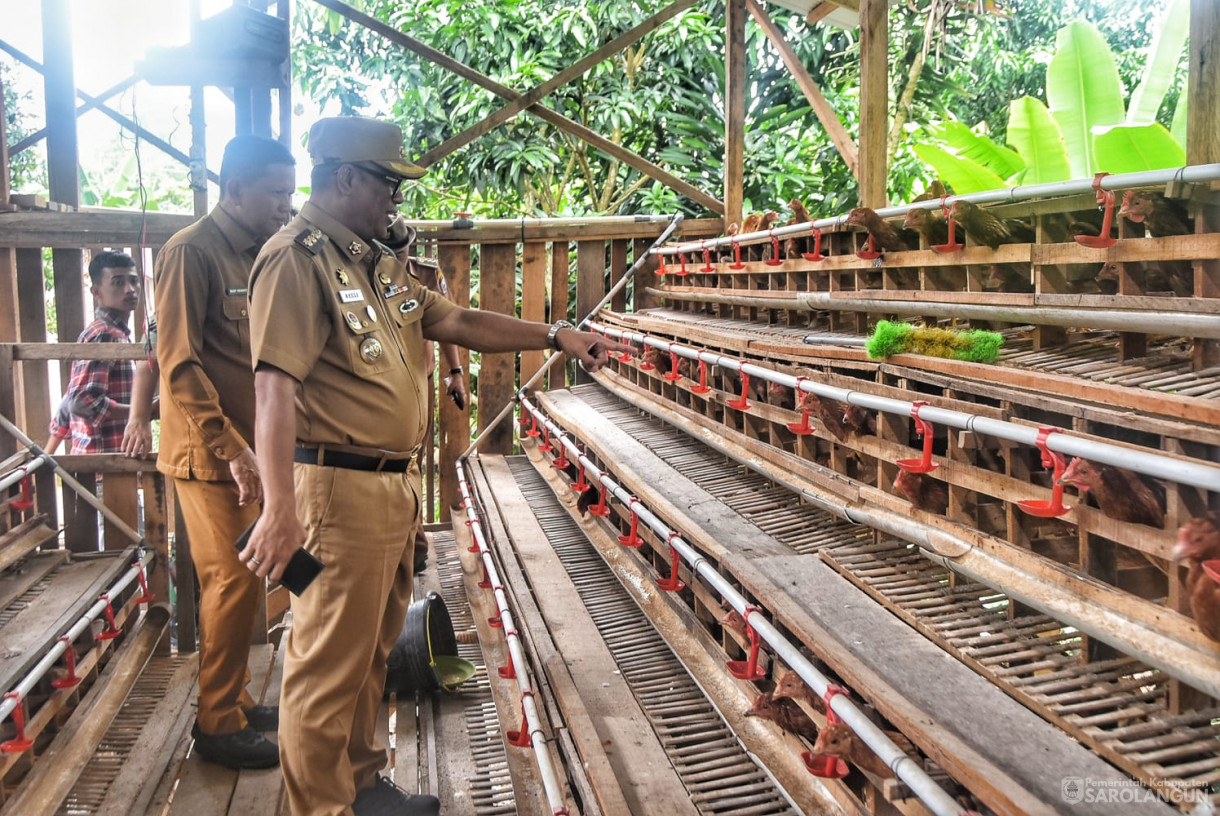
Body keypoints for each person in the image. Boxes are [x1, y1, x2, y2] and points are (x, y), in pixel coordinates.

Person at [243, 116, 628, 816]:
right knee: (325, 668)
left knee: (370, 655)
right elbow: (273, 389)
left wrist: (555, 335)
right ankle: (321, 808)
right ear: (347, 176)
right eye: (388, 183)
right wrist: (280, 508)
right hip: (334, 487)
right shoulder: (294, 260)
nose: (396, 198)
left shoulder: (374, 263)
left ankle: (361, 786)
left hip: (388, 486)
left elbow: (457, 323)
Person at [153, 134, 296, 770]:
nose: (285, 207)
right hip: (210, 456)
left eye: (290, 195)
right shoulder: (191, 253)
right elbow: (177, 365)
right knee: (233, 580)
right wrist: (233, 448)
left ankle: (234, 699)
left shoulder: (260, 254)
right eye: (275, 194)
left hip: (249, 452)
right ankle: (216, 724)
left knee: (257, 577)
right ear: (235, 191)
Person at [383, 216, 467, 573]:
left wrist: (456, 373)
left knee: (414, 460)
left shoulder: (427, 276)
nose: (400, 261)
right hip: (383, 385)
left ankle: (415, 544)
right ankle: (408, 543)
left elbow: (450, 325)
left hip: (420, 378)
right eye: (393, 254)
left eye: (404, 254)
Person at [45, 251, 141, 454]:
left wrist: (48, 452)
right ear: (96, 291)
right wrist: (144, 412)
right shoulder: (103, 334)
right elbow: (82, 402)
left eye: (133, 281)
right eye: (117, 282)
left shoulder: (115, 334)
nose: (129, 289)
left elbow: (71, 397)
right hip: (103, 467)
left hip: (105, 466)